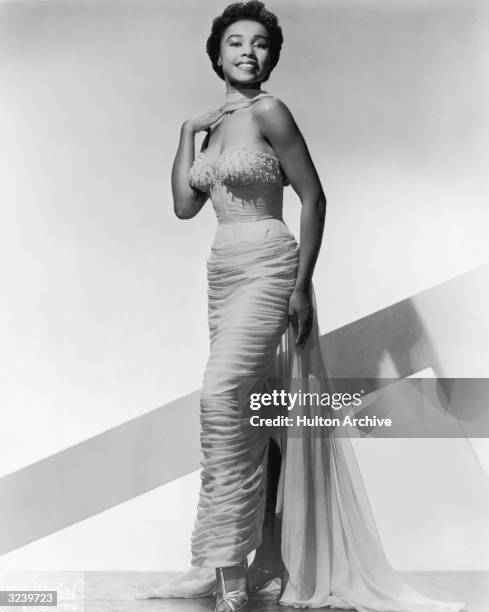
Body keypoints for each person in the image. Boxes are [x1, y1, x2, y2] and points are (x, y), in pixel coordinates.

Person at [137, 2, 467, 611]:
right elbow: (185, 206)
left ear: (270, 56)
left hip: (268, 261)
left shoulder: (270, 111)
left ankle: (229, 567)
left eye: (259, 44)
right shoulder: (210, 127)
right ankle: (219, 561)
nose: (246, 52)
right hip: (222, 272)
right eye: (235, 42)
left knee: (221, 398)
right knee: (245, 415)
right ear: (216, 54)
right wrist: (186, 132)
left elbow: (313, 197)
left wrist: (300, 284)